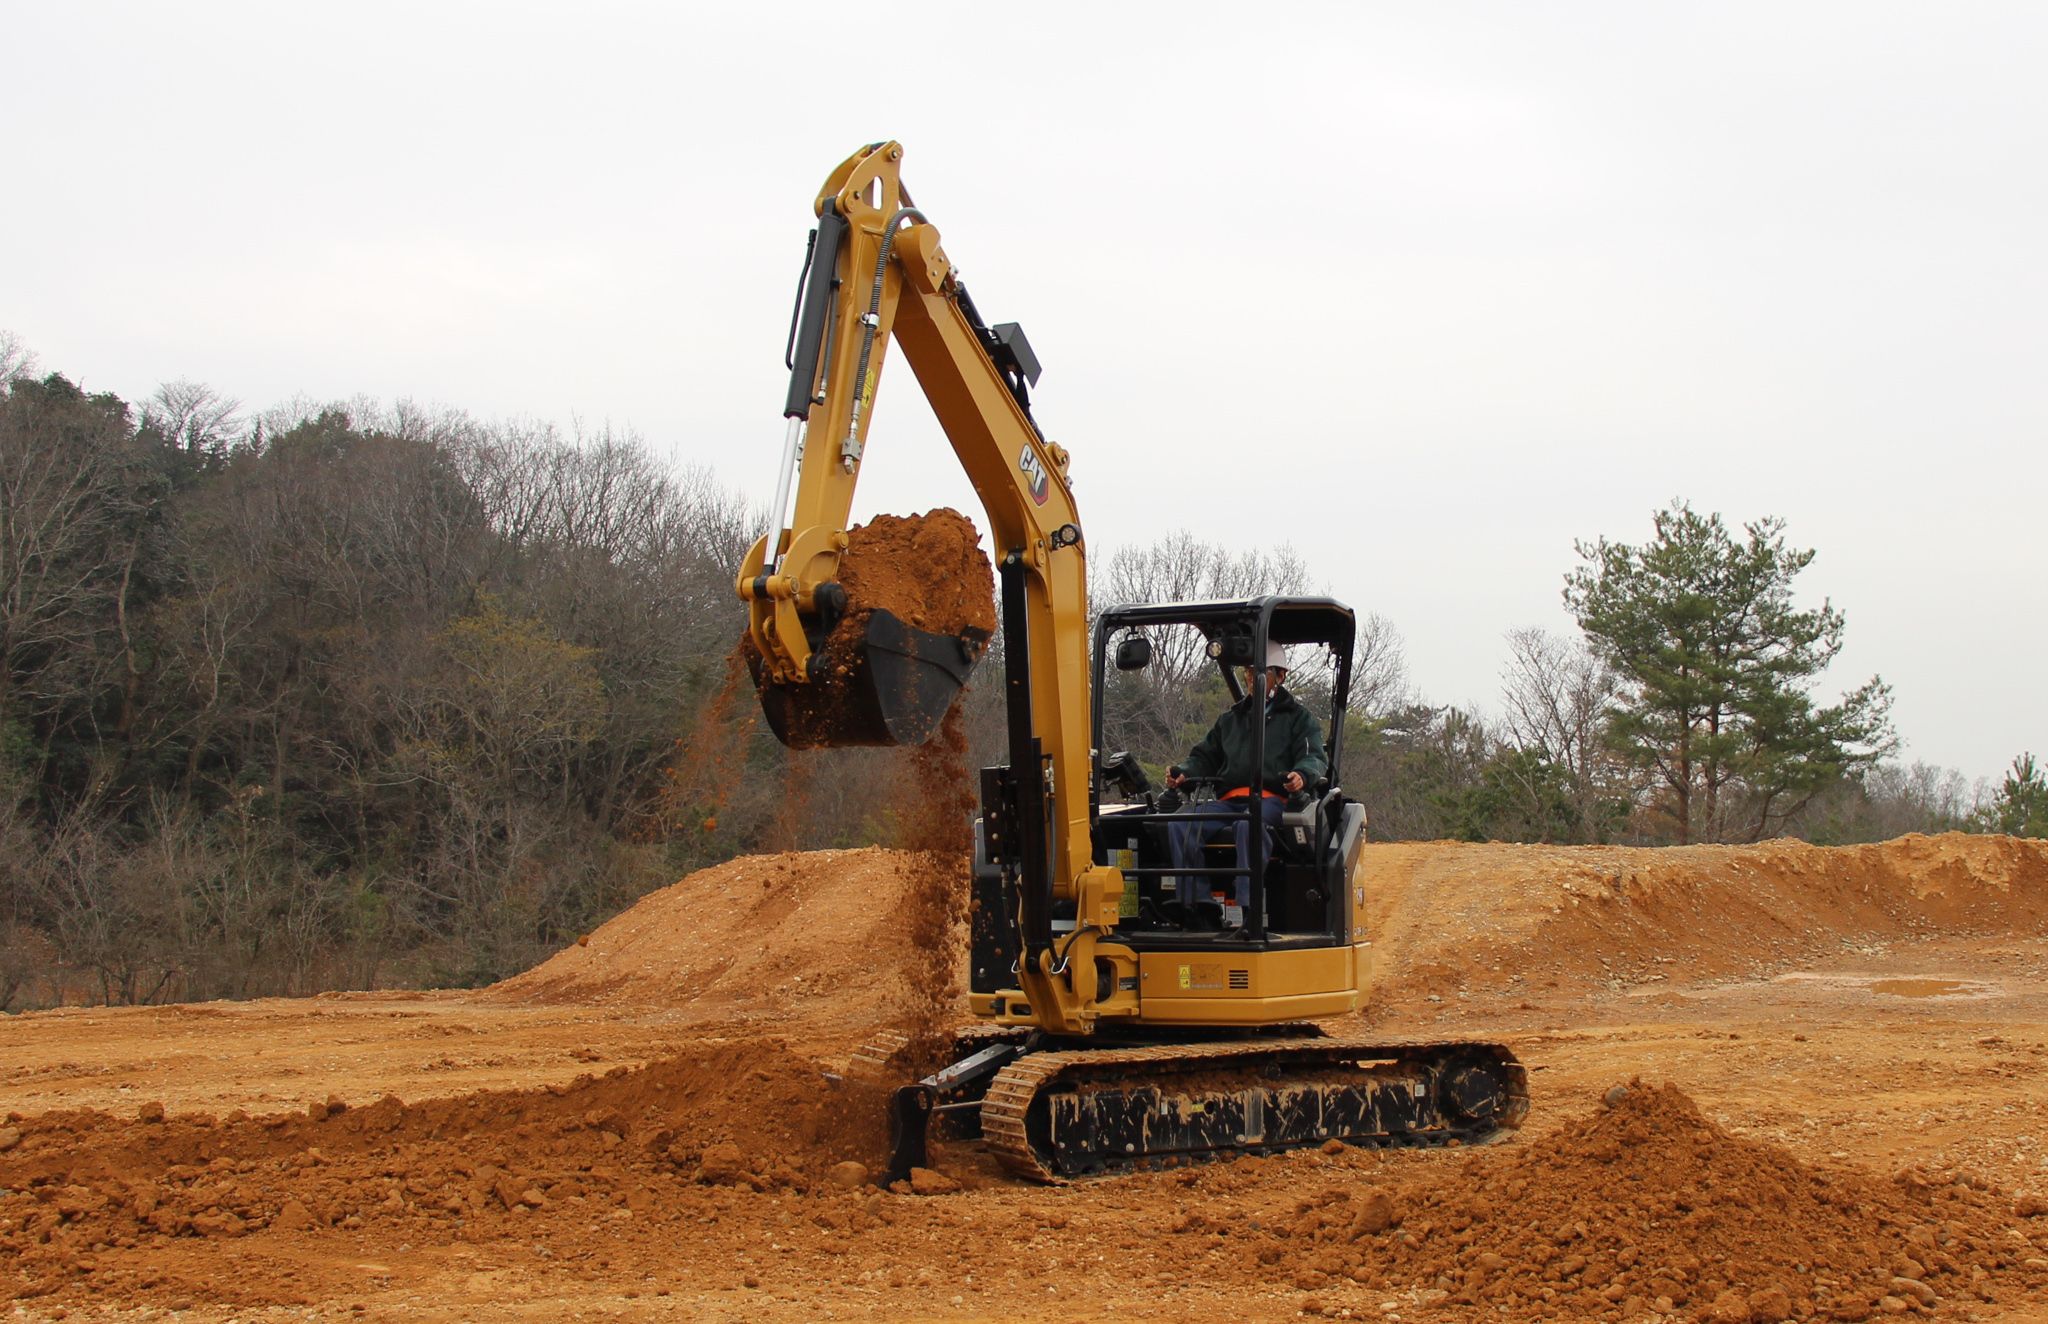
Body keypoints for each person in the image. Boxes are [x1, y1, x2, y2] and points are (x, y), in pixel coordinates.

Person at [1165, 640, 1327, 924]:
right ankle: (1197, 906)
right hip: (1230, 800)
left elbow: (1313, 756)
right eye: (1249, 672)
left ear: (1280, 675)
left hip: (1274, 801)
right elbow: (1205, 756)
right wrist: (1184, 773)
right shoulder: (1231, 720)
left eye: (1260, 671)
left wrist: (1301, 775)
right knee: (1182, 823)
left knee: (1248, 824)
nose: (1252, 678)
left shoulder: (1299, 719)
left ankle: (1248, 912)